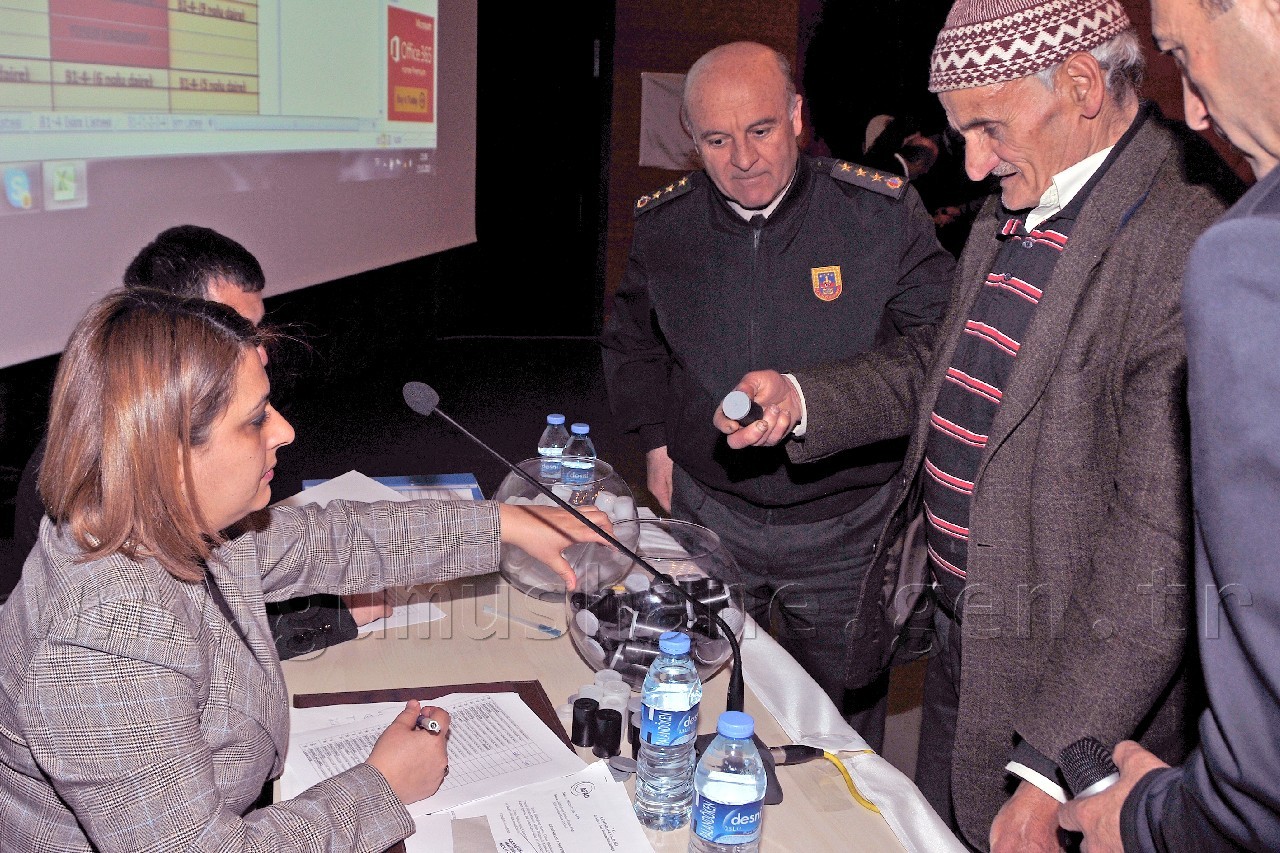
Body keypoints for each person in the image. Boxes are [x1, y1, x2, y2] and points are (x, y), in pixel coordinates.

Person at [713, 2, 1243, 850]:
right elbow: (944, 366)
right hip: (966, 635)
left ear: (1079, 86)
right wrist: (804, 398)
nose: (971, 160)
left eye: (988, 126)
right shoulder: (1021, 196)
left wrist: (1045, 768)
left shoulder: (1190, 232)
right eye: (961, 131)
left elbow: (1158, 540)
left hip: (1080, 682)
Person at [0, 288, 607, 851]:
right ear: (167, 452)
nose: (286, 432)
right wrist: (382, 789)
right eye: (257, 418)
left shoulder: (156, 515)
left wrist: (502, 525)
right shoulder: (101, 646)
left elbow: (329, 539)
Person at [600, 40, 955, 750]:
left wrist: (812, 398)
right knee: (703, 697)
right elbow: (632, 341)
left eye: (761, 130)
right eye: (717, 140)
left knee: (835, 732)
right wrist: (657, 440)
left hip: (844, 532)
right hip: (710, 518)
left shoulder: (879, 215)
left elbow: (938, 352)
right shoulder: (666, 226)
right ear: (693, 143)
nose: (743, 158)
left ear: (796, 115)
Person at [1058, 0, 1280, 849]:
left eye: (1187, 55)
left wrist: (1151, 818)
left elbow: (1261, 775)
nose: (1192, 108)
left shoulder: (1244, 254)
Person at [6, 225, 388, 658]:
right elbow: (177, 640)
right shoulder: (97, 480)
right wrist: (328, 618)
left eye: (255, 331)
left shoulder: (180, 430)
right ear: (169, 335)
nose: (260, 352)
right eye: (234, 331)